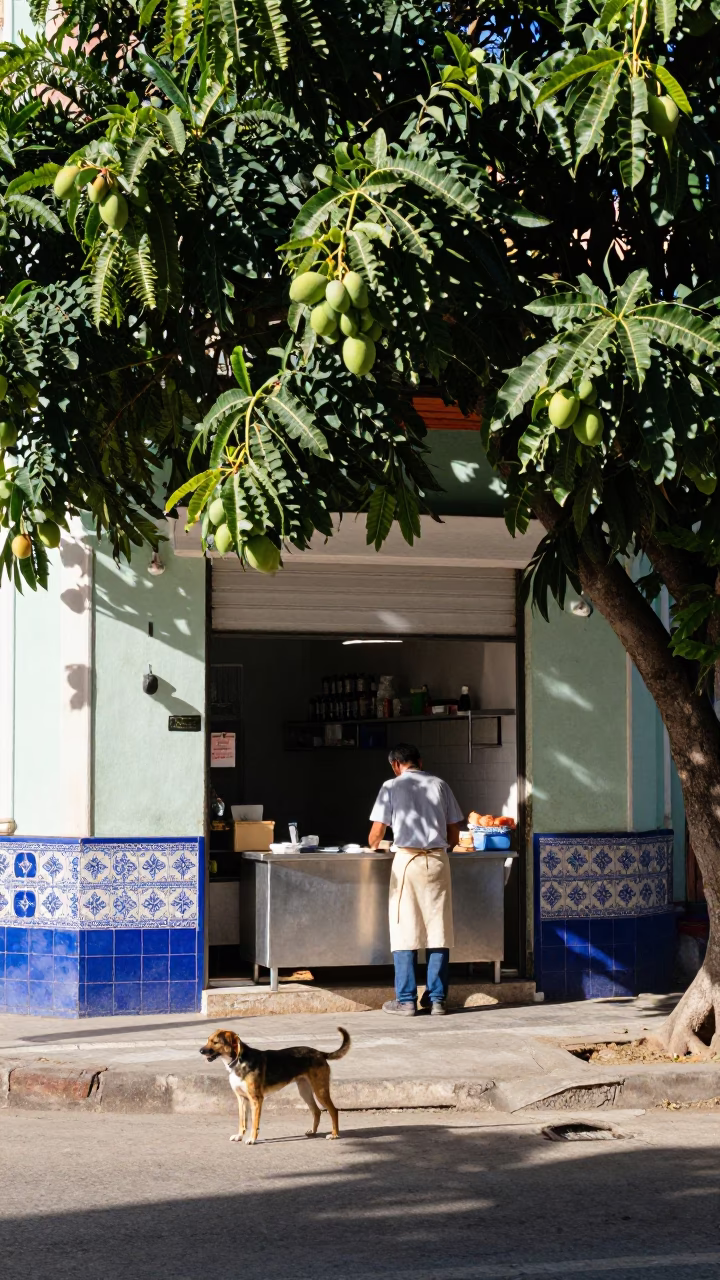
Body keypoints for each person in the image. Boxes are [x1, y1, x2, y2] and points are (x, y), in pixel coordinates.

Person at [368, 743, 464, 1016]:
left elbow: (375, 836)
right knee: (439, 930)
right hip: (436, 862)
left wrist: (380, 843)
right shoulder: (440, 785)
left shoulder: (391, 787)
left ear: (395, 765)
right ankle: (437, 1000)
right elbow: (454, 833)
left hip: (407, 864)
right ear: (420, 762)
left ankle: (406, 1000)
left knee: (404, 929)